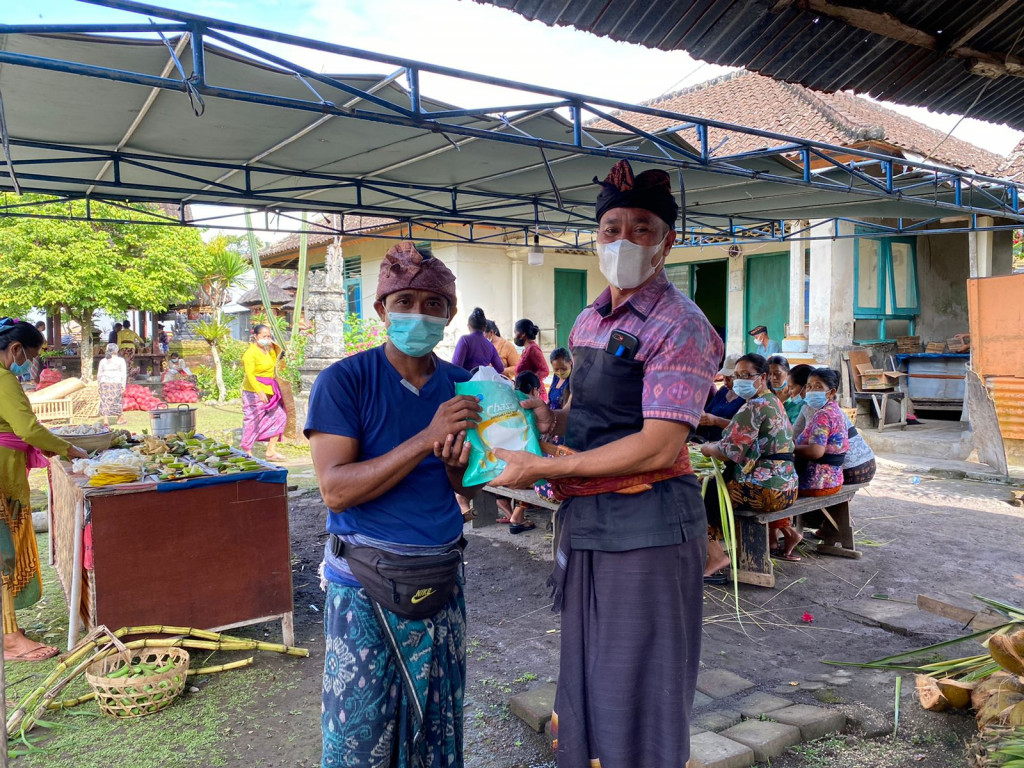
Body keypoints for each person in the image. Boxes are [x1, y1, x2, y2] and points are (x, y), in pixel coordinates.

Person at [488, 160, 721, 768]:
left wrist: (545, 470)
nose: (623, 241)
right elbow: (602, 417)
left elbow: (658, 445)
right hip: (590, 521)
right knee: (588, 670)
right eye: (611, 228)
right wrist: (550, 424)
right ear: (596, 237)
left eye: (641, 229)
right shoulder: (590, 319)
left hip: (647, 525)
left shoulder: (681, 325)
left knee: (637, 677)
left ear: (667, 241)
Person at [306, 241, 481, 768]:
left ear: (449, 313)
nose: (418, 314)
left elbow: (468, 488)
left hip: (441, 576)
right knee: (360, 730)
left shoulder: (463, 386)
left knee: (436, 720)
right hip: (365, 583)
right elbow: (335, 489)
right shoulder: (344, 382)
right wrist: (427, 437)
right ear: (381, 309)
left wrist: (454, 464)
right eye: (404, 300)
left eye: (433, 304)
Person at [0, 319, 88, 661]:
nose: (27, 365)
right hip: (2, 473)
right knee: (5, 552)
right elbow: (27, 429)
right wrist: (68, 448)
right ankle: (10, 640)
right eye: (29, 357)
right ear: (16, 349)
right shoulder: (5, 378)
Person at [699, 354, 798, 574]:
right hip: (788, 487)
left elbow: (727, 452)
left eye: (746, 375)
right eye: (737, 375)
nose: (739, 380)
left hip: (764, 490)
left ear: (762, 377)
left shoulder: (753, 406)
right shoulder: (775, 403)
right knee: (712, 488)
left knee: (697, 493)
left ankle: (716, 555)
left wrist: (707, 449)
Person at [794, 368, 849, 499]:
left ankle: (781, 520)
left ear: (831, 392)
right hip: (833, 479)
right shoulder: (835, 410)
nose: (812, 391)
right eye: (809, 386)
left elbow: (816, 451)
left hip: (818, 482)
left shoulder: (823, 414)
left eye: (818, 387)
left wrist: (792, 447)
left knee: (775, 489)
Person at [241, 325, 287, 462]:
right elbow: (250, 374)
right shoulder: (250, 353)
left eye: (268, 336)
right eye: (263, 336)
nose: (267, 339)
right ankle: (246, 450)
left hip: (269, 389)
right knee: (253, 419)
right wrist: (259, 391)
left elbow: (275, 365)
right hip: (253, 391)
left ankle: (271, 450)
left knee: (280, 416)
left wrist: (276, 352)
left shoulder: (267, 351)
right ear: (255, 336)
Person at [696, 357, 746, 442]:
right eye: (724, 377)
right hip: (711, 443)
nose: (726, 381)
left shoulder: (747, 397)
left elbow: (744, 427)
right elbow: (708, 411)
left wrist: (716, 420)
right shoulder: (723, 391)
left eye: (730, 378)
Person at [451, 307, 504, 373]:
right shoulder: (490, 346)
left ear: (469, 326)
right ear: (484, 328)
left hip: (466, 382)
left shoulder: (465, 340)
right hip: (483, 382)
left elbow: (455, 367)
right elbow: (500, 368)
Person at [513, 319, 548, 401]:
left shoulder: (533, 349)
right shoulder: (526, 349)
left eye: (515, 333)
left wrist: (529, 382)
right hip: (526, 394)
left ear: (523, 334)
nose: (514, 336)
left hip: (534, 395)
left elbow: (544, 370)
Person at [96, 343, 127, 426]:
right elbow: (123, 374)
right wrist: (123, 385)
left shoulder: (103, 361)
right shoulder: (120, 360)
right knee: (117, 400)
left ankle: (105, 420)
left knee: (105, 401)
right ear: (117, 350)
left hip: (104, 382)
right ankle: (119, 418)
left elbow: (99, 374)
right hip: (116, 382)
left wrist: (99, 384)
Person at [786, 363, 816, 434]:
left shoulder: (811, 408)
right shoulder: (801, 406)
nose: (789, 392)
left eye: (791, 388)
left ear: (805, 387)